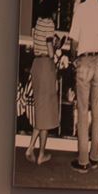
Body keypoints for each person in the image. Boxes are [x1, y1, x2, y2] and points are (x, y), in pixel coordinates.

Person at [68, 0, 98, 171]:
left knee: (82, 110)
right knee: (96, 111)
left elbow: (73, 41)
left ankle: (83, 160)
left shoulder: (80, 9)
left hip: (84, 61)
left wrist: (74, 58)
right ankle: (94, 157)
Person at [25, 17, 64, 166]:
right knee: (46, 113)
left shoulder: (38, 22)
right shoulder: (49, 23)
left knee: (41, 111)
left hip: (36, 64)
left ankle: (31, 148)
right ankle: (41, 154)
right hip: (46, 66)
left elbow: (39, 43)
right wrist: (56, 49)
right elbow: (49, 47)